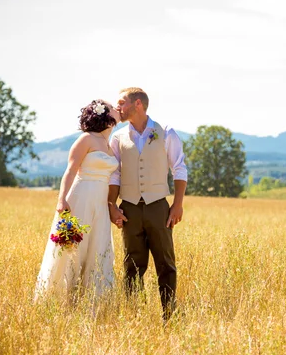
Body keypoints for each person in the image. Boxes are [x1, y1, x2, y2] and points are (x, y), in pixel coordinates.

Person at [108, 87, 187, 320]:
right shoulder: (117, 137)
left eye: (122, 103)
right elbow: (114, 175)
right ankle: (133, 317)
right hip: (129, 208)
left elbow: (179, 168)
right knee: (132, 264)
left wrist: (178, 205)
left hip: (158, 207)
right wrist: (112, 205)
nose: (117, 108)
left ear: (138, 104)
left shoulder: (166, 132)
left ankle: (169, 316)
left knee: (165, 263)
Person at [35, 99, 121, 301]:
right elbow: (71, 170)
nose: (117, 110)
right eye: (112, 108)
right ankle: (61, 298)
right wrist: (61, 199)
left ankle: (93, 300)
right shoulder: (86, 139)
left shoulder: (109, 144)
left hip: (100, 204)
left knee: (97, 249)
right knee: (73, 249)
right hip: (81, 197)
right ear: (104, 115)